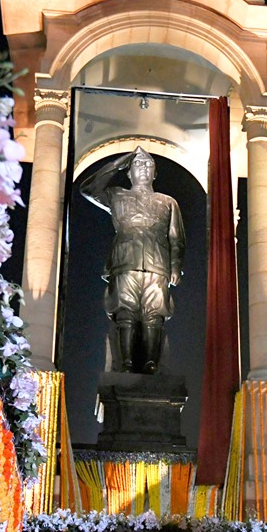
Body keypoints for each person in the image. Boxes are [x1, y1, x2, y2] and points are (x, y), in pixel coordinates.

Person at [79, 146, 185, 374]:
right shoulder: (117, 195)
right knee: (125, 312)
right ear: (129, 172)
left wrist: (175, 265)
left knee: (153, 315)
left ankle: (150, 362)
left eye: (148, 165)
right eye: (137, 164)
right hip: (125, 261)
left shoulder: (168, 202)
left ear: (155, 173)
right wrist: (118, 163)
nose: (143, 168)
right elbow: (88, 189)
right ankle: (126, 362)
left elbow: (177, 238)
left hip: (158, 264)